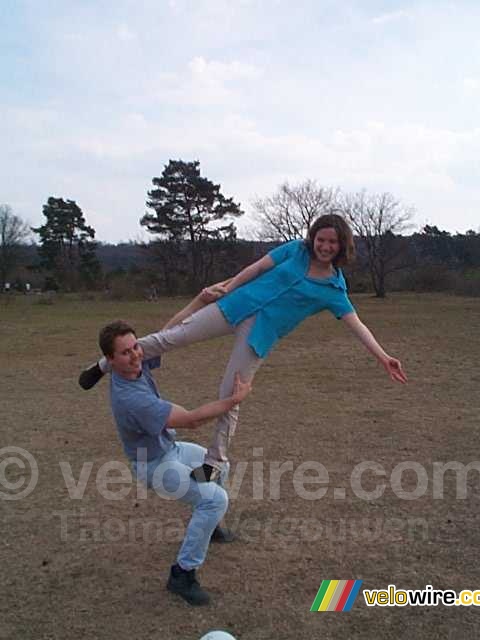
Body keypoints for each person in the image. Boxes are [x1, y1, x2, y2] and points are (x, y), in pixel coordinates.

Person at [80, 214, 407, 482]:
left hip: (260, 333)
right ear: (313, 238)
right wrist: (229, 286)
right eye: (320, 239)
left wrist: (383, 357)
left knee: (231, 393)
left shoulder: (334, 288)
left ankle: (214, 463)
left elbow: (357, 324)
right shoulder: (295, 250)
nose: (324, 246)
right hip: (235, 305)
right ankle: (103, 365)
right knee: (171, 337)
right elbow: (259, 267)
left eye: (331, 242)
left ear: (341, 246)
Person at [97, 320, 252, 606]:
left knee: (220, 467)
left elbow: (167, 335)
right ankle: (182, 574)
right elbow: (193, 420)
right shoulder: (131, 399)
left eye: (135, 347)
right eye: (125, 353)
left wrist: (200, 299)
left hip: (171, 448)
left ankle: (209, 527)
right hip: (155, 466)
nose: (135, 356)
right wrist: (234, 400)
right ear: (110, 360)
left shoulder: (135, 366)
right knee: (214, 499)